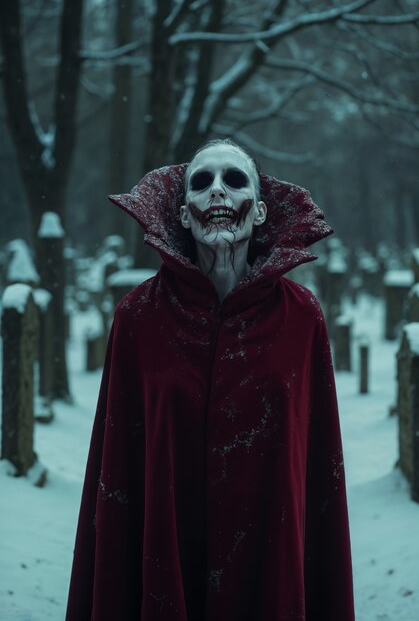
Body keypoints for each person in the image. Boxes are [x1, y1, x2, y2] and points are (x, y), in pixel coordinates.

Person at [66, 139, 355, 621]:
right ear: (183, 214)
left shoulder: (302, 317)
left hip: (270, 558)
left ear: (260, 211)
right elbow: (116, 466)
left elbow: (319, 466)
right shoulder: (139, 316)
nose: (217, 191)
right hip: (165, 564)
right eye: (201, 183)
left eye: (235, 180)